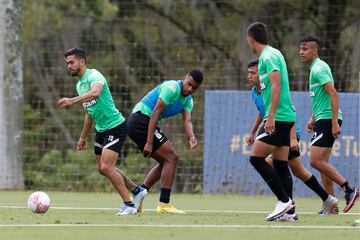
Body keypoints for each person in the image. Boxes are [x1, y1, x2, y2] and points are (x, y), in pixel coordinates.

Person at [58, 48, 147, 215]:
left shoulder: (94, 76)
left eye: (71, 62)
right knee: (102, 168)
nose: (69, 66)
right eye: (67, 63)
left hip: (116, 126)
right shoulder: (79, 85)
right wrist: (83, 136)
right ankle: (137, 191)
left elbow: (96, 93)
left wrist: (72, 100)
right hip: (101, 130)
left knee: (107, 167)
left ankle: (129, 205)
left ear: (82, 61)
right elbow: (90, 111)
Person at [246, 59, 339, 219]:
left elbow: (289, 110)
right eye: (248, 73)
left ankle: (287, 205)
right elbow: (263, 111)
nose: (249, 76)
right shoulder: (256, 91)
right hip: (275, 129)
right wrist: (252, 132)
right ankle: (326, 199)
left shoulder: (272, 88)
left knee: (266, 162)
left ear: (261, 75)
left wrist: (292, 139)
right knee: (298, 171)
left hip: (287, 131)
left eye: (253, 73)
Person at [127, 69, 203, 214]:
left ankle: (139, 194)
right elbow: (155, 112)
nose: (190, 89)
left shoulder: (188, 100)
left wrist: (191, 136)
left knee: (166, 161)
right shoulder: (172, 88)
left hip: (144, 122)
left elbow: (187, 121)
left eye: (194, 88)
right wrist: (149, 142)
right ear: (184, 78)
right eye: (189, 84)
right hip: (140, 119)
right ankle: (164, 204)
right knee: (172, 158)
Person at [299, 35, 359, 213]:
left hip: (328, 119)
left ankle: (349, 190)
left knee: (315, 160)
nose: (301, 52)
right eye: (300, 49)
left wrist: (333, 122)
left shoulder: (318, 68)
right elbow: (322, 98)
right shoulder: (315, 68)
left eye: (305, 49)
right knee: (322, 163)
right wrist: (313, 117)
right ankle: (331, 205)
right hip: (322, 117)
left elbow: (333, 93)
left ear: (315, 51)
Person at [246, 22, 296, 221]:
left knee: (256, 159)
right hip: (284, 116)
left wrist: (272, 116)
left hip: (280, 117)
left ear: (251, 39)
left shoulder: (268, 56)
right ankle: (290, 212)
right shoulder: (272, 54)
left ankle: (284, 201)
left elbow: (277, 86)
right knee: (281, 164)